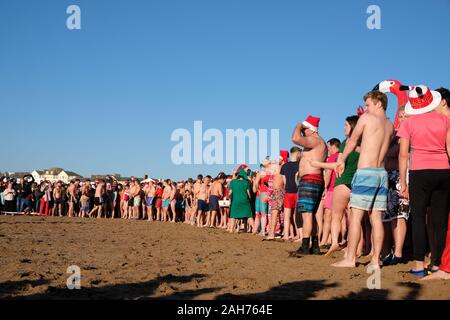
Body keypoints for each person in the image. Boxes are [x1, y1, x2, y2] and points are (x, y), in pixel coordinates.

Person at [333, 90, 394, 268]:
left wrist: (341, 160)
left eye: (368, 104)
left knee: (356, 217)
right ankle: (376, 260)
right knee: (376, 219)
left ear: (379, 103)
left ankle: (350, 258)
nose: (366, 108)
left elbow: (352, 141)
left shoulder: (367, 119)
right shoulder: (390, 126)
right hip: (381, 174)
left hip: (366, 172)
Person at [397, 85, 450, 277]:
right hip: (444, 170)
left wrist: (403, 182)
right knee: (440, 220)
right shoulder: (445, 120)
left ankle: (419, 266)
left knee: (418, 218)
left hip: (420, 171)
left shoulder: (408, 124)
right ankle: (438, 263)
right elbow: (449, 148)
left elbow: (403, 155)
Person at [309, 116, 360, 256]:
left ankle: (335, 244)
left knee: (336, 216)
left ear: (353, 126)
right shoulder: (363, 142)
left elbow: (337, 165)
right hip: (358, 182)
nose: (344, 128)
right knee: (356, 219)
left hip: (342, 182)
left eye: (346, 125)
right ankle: (358, 248)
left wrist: (317, 164)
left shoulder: (346, 143)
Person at [291, 115, 327, 255]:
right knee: (311, 215)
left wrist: (299, 124)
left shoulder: (314, 140)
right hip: (315, 179)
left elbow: (295, 138)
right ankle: (315, 246)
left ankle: (305, 246)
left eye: (305, 129)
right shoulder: (319, 142)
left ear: (312, 130)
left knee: (307, 214)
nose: (303, 131)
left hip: (310, 180)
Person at [382, 105, 409, 265]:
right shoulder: (394, 136)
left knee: (400, 215)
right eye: (400, 116)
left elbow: (404, 157)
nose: (403, 119)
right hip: (388, 178)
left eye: (406, 116)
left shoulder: (410, 136)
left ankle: (398, 253)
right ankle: (389, 252)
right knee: (388, 217)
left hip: (402, 177)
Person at [320, 138, 341, 248]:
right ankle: (333, 239)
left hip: (332, 189)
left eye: (329, 147)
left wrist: (324, 188)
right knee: (340, 218)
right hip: (342, 188)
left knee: (328, 216)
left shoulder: (333, 157)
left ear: (333, 146)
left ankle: (324, 240)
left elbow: (328, 174)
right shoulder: (343, 156)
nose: (328, 150)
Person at [280, 147, 302, 241]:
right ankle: (298, 235)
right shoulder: (300, 165)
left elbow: (284, 181)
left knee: (287, 215)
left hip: (288, 192)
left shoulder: (284, 166)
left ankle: (285, 235)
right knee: (297, 215)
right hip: (298, 192)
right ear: (297, 153)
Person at [228, 168, 253, 233]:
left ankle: (231, 230)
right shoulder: (246, 182)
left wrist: (230, 199)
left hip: (235, 201)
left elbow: (230, 193)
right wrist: (250, 200)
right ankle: (254, 229)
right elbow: (248, 193)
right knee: (249, 215)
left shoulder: (233, 182)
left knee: (233, 216)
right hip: (245, 201)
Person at [266, 158, 286, 240]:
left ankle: (272, 234)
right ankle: (284, 233)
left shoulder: (280, 170)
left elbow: (283, 183)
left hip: (278, 192)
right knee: (282, 215)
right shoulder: (280, 170)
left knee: (275, 214)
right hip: (278, 192)